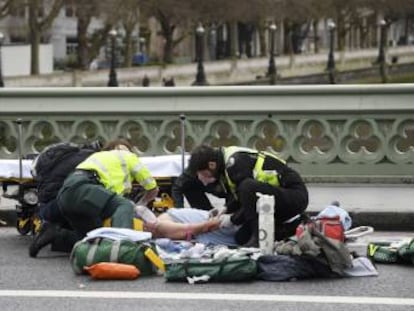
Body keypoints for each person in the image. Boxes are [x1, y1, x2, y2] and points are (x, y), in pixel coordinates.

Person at [30, 139, 159, 257]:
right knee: (124, 205)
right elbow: (153, 188)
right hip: (84, 187)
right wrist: (142, 204)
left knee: (94, 238)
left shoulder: (96, 156)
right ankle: (124, 248)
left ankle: (56, 236)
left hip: (65, 194)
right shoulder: (128, 157)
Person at [186, 144, 309, 247]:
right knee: (241, 238)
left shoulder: (234, 163)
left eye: (202, 173)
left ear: (211, 165)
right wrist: (226, 209)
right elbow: (241, 198)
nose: (201, 178)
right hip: (272, 200)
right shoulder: (224, 165)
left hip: (294, 196)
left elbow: (248, 194)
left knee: (247, 186)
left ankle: (258, 240)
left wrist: (232, 219)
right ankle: (292, 227)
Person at [29, 140, 103, 257]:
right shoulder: (93, 159)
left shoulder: (69, 154)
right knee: (98, 237)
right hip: (65, 202)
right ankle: (58, 236)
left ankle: (54, 233)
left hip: (46, 208)